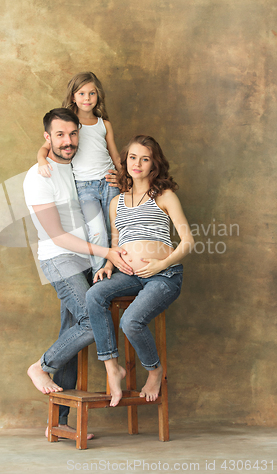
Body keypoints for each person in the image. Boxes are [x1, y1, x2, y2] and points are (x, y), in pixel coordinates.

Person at [23, 107, 132, 435]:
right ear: (48, 138)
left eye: (73, 134)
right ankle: (40, 366)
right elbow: (56, 235)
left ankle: (59, 423)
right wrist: (106, 252)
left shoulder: (78, 167)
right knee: (91, 320)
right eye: (59, 135)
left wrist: (116, 175)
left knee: (71, 331)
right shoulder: (38, 176)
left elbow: (104, 186)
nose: (68, 141)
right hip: (61, 259)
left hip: (88, 260)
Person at [86, 135, 195, 407]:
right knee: (94, 295)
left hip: (163, 275)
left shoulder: (165, 196)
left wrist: (161, 264)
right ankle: (113, 368)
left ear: (153, 165)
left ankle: (155, 370)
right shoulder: (117, 202)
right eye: (132, 157)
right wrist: (110, 264)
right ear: (125, 162)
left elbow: (188, 242)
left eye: (145, 159)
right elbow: (116, 242)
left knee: (130, 322)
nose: (137, 163)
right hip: (130, 276)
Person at [37, 72, 121, 275]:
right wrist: (41, 161)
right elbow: (44, 149)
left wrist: (123, 177)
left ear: (98, 96)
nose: (87, 98)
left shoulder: (104, 124)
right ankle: (99, 276)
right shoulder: (71, 125)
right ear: (73, 97)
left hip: (109, 182)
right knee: (97, 232)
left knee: (116, 230)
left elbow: (116, 156)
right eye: (81, 93)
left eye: (92, 93)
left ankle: (119, 273)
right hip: (85, 187)